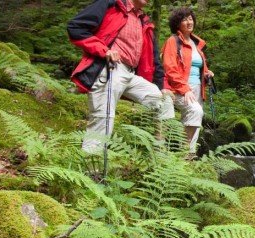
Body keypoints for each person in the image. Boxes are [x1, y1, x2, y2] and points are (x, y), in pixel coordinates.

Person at [67, 0, 174, 153]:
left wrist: (163, 87)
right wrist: (104, 50)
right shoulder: (111, 6)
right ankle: (90, 168)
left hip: (131, 74)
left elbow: (154, 59)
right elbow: (75, 27)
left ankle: (162, 159)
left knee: (164, 102)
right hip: (110, 68)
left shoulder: (143, 21)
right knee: (103, 119)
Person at [161, 7, 213, 156]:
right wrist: (184, 88)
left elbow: (196, 66)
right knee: (194, 111)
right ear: (177, 23)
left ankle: (188, 157)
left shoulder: (197, 44)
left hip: (197, 87)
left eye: (191, 19)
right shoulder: (173, 41)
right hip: (179, 87)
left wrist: (207, 73)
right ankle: (176, 154)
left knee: (196, 117)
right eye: (184, 19)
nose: (189, 22)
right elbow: (170, 68)